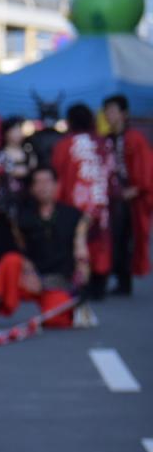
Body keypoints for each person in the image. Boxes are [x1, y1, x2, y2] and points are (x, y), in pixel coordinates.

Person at [0, 166, 90, 329]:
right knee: (10, 261)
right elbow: (13, 247)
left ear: (57, 185)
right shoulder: (22, 215)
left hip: (57, 281)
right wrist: (28, 268)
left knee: (57, 319)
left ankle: (66, 307)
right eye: (38, 182)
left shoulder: (73, 216)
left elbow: (81, 254)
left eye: (47, 181)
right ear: (32, 188)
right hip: (29, 278)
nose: (43, 186)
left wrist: (82, 283)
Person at [51, 103, 118, 300]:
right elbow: (112, 173)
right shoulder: (103, 143)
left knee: (77, 241)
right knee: (100, 241)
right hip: (100, 201)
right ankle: (99, 281)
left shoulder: (65, 144)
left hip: (75, 202)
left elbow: (58, 174)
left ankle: (80, 283)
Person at [103, 94, 153, 295]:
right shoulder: (106, 138)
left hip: (129, 197)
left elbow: (145, 168)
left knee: (126, 237)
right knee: (112, 237)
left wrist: (135, 189)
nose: (109, 115)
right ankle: (116, 277)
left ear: (124, 114)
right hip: (112, 196)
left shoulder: (134, 138)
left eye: (113, 110)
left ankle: (124, 280)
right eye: (106, 111)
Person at [0, 117, 30, 265]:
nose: (17, 134)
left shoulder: (29, 154)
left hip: (25, 206)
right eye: (13, 130)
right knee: (6, 250)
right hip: (4, 209)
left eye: (19, 129)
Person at [23, 99, 64, 169]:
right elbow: (28, 152)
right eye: (46, 114)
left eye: (52, 115)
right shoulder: (34, 137)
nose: (49, 120)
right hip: (40, 170)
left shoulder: (62, 137)